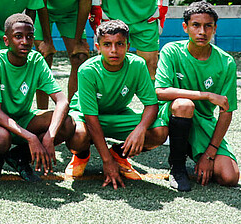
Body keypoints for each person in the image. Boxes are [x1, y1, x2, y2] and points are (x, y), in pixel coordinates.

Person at [65, 20, 166, 188]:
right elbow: (91, 118)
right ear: (98, 46)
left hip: (118, 114)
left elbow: (151, 104)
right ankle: (81, 156)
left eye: (119, 44)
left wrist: (140, 130)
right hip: (86, 116)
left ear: (128, 45)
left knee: (159, 131)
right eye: (107, 44)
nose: (114, 50)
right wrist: (106, 161)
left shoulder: (137, 64)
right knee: (78, 136)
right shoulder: (87, 70)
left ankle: (119, 154)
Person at [154, 1, 240, 191]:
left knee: (230, 177)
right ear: (185, 27)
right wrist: (206, 95)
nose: (202, 31)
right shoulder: (171, 51)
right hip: (172, 114)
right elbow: (160, 91)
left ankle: (195, 152)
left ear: (215, 28)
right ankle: (177, 167)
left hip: (203, 121)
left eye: (208, 26)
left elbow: (227, 111)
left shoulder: (226, 62)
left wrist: (209, 154)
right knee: (184, 105)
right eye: (196, 25)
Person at [0, 13, 74, 181]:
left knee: (67, 123)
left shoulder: (36, 60)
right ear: (6, 40)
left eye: (29, 36)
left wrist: (50, 136)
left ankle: (19, 156)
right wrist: (31, 137)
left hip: (23, 119)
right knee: (1, 138)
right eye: (18, 36)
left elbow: (62, 100)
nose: (25, 41)